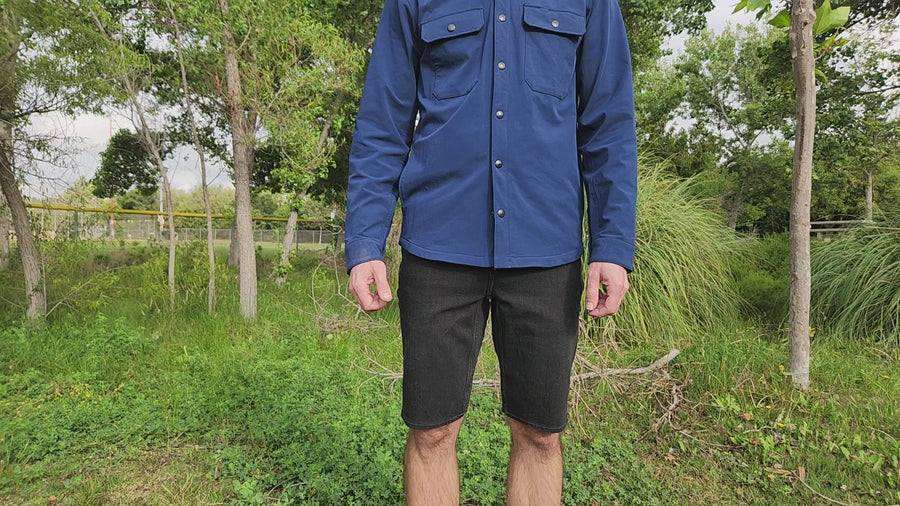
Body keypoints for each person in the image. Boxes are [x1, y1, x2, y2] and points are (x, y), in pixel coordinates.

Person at [345, 0, 637, 502]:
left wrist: (611, 244)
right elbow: (382, 123)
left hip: (545, 250)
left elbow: (608, 125)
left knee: (540, 435)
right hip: (438, 246)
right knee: (431, 432)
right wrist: (365, 240)